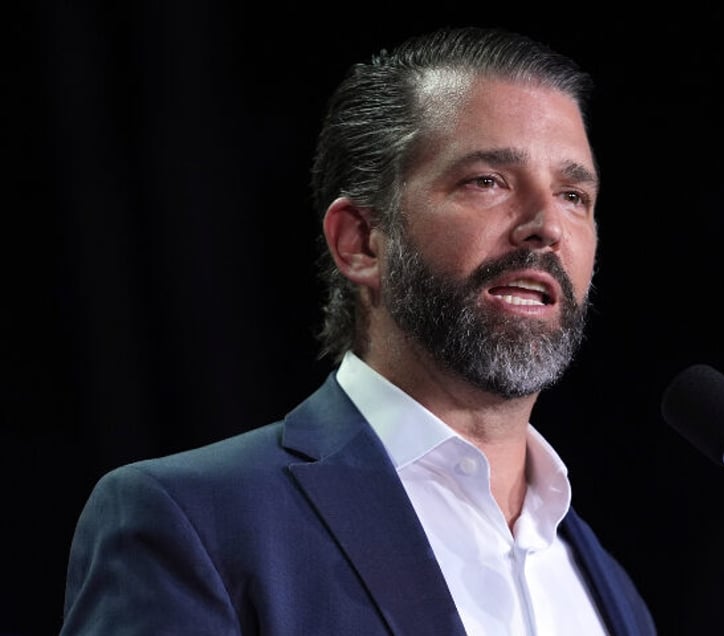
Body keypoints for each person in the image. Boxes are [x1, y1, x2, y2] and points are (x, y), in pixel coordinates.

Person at [60, 25, 656, 635]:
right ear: (362, 242)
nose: (546, 226)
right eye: (488, 181)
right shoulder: (193, 523)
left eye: (574, 194)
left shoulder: (608, 588)